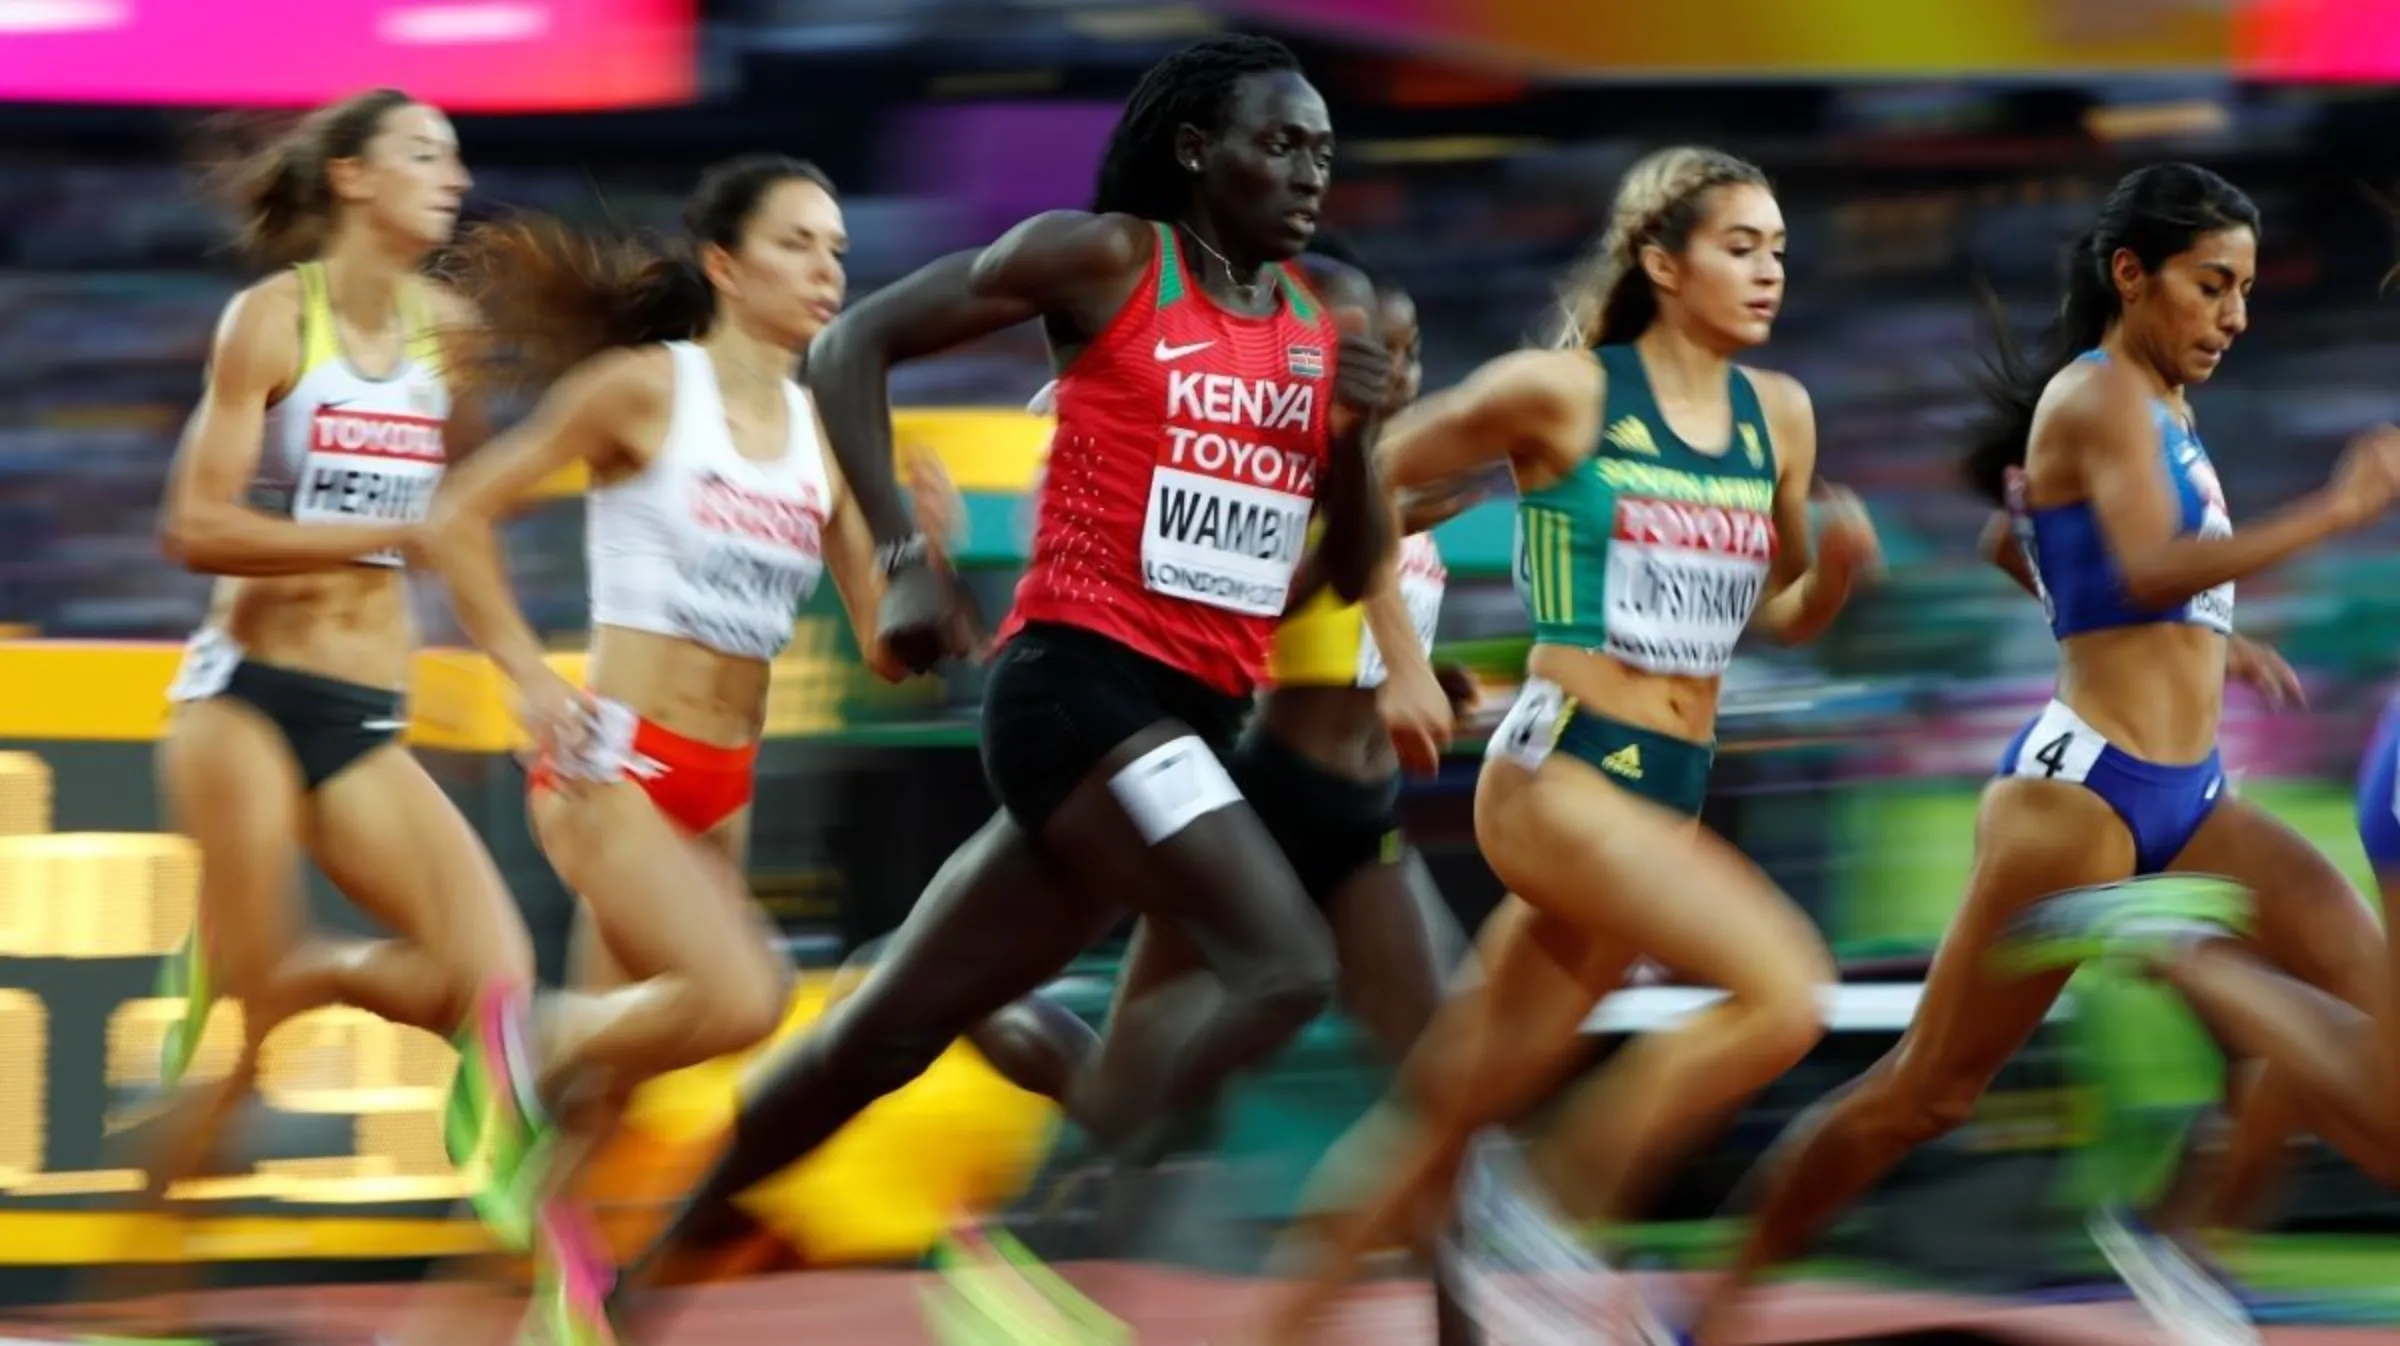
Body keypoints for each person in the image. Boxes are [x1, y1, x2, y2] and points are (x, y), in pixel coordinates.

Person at [619, 33, 1398, 1295]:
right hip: (1078, 690)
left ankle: (642, 1270)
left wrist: (1361, 436)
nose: (1311, 171)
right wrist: (901, 555)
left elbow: (1356, 562)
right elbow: (848, 345)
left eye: (1323, 148)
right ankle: (1029, 1242)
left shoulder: (1319, 325)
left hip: (1185, 719)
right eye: (1280, 142)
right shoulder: (1105, 260)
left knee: (880, 1037)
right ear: (1199, 150)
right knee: (1287, 964)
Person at [1690, 161, 2400, 1346]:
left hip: (2195, 795)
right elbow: (2138, 568)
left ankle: (2177, 1238)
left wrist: (2206, 643)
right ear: (2133, 274)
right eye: (2211, 285)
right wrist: (2335, 510)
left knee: (2368, 1030)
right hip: (2082, 802)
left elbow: (2012, 538)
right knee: (1925, 1092)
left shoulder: (2160, 403)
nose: (2236, 315)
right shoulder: (2099, 394)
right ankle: (1705, 1317)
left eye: (2246, 290)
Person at [1259, 144, 1882, 1345]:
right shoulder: (1562, 393)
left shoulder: (1781, 417)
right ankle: (1544, 1210)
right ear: (1661, 261)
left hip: (1667, 793)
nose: (1769, 274)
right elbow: (1369, 476)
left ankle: (1269, 1327)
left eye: (1780, 253)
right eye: (1739, 248)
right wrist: (1391, 651)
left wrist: (1836, 577)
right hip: (1562, 773)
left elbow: (1777, 613)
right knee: (1786, 990)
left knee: (1438, 1111)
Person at [827, 251, 1487, 1342]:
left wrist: (1424, 673)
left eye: (1413, 349)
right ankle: (934, 1015)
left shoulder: (1378, 460)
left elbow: (1366, 632)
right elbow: (1243, 610)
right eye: (1383, 346)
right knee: (1132, 1095)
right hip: (1264, 801)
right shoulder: (1276, 462)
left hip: (1361, 817)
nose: (1402, 368)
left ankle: (1462, 1317)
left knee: (1446, 1074)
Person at [419, 152, 956, 1340]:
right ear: (724, 263)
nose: (828, 269)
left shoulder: (826, 437)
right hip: (614, 764)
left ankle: (492, 1318)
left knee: (612, 1102)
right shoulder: (643, 391)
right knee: (742, 994)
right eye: (798, 245)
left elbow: (887, 651)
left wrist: (923, 546)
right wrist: (522, 674)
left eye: (837, 250)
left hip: (723, 787)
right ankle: (529, 1033)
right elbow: (457, 516)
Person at [147, 87, 535, 1240]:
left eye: (459, 157)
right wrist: (379, 539)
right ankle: (139, 1282)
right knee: (254, 1018)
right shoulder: (272, 320)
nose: (454, 177)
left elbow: (456, 516)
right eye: (425, 154)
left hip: (367, 708)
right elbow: (194, 527)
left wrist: (511, 670)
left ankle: (303, 970)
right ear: (355, 178)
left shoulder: (451, 336)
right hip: (246, 701)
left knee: (493, 979)